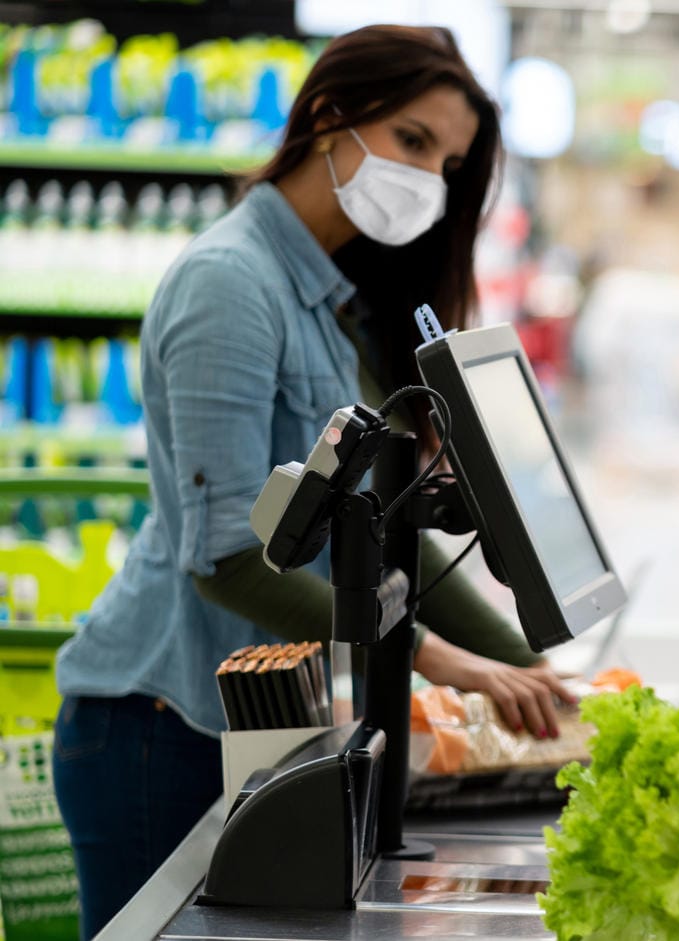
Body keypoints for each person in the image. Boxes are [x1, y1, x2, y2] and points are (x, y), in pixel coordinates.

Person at [51, 26, 573, 938]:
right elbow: (227, 558)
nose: (427, 180)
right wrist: (449, 668)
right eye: (412, 141)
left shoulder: (330, 300)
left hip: (243, 721)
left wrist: (540, 673)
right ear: (329, 115)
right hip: (154, 728)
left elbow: (396, 545)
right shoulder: (230, 285)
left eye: (447, 163)